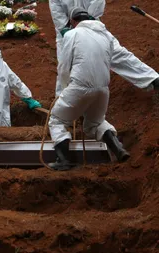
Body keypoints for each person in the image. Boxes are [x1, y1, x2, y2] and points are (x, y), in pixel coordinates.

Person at [48, 7, 130, 171]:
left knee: (57, 120)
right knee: (96, 122)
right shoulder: (105, 36)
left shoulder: (72, 34)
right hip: (103, 90)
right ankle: (118, 149)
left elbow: (64, 67)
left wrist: (65, 90)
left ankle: (65, 160)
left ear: (73, 22)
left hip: (80, 86)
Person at [49, 0, 159, 97]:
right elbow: (56, 11)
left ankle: (151, 79)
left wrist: (87, 19)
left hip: (92, 24)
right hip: (68, 31)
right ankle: (62, 101)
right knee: (66, 66)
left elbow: (97, 2)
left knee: (115, 52)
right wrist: (64, 28)